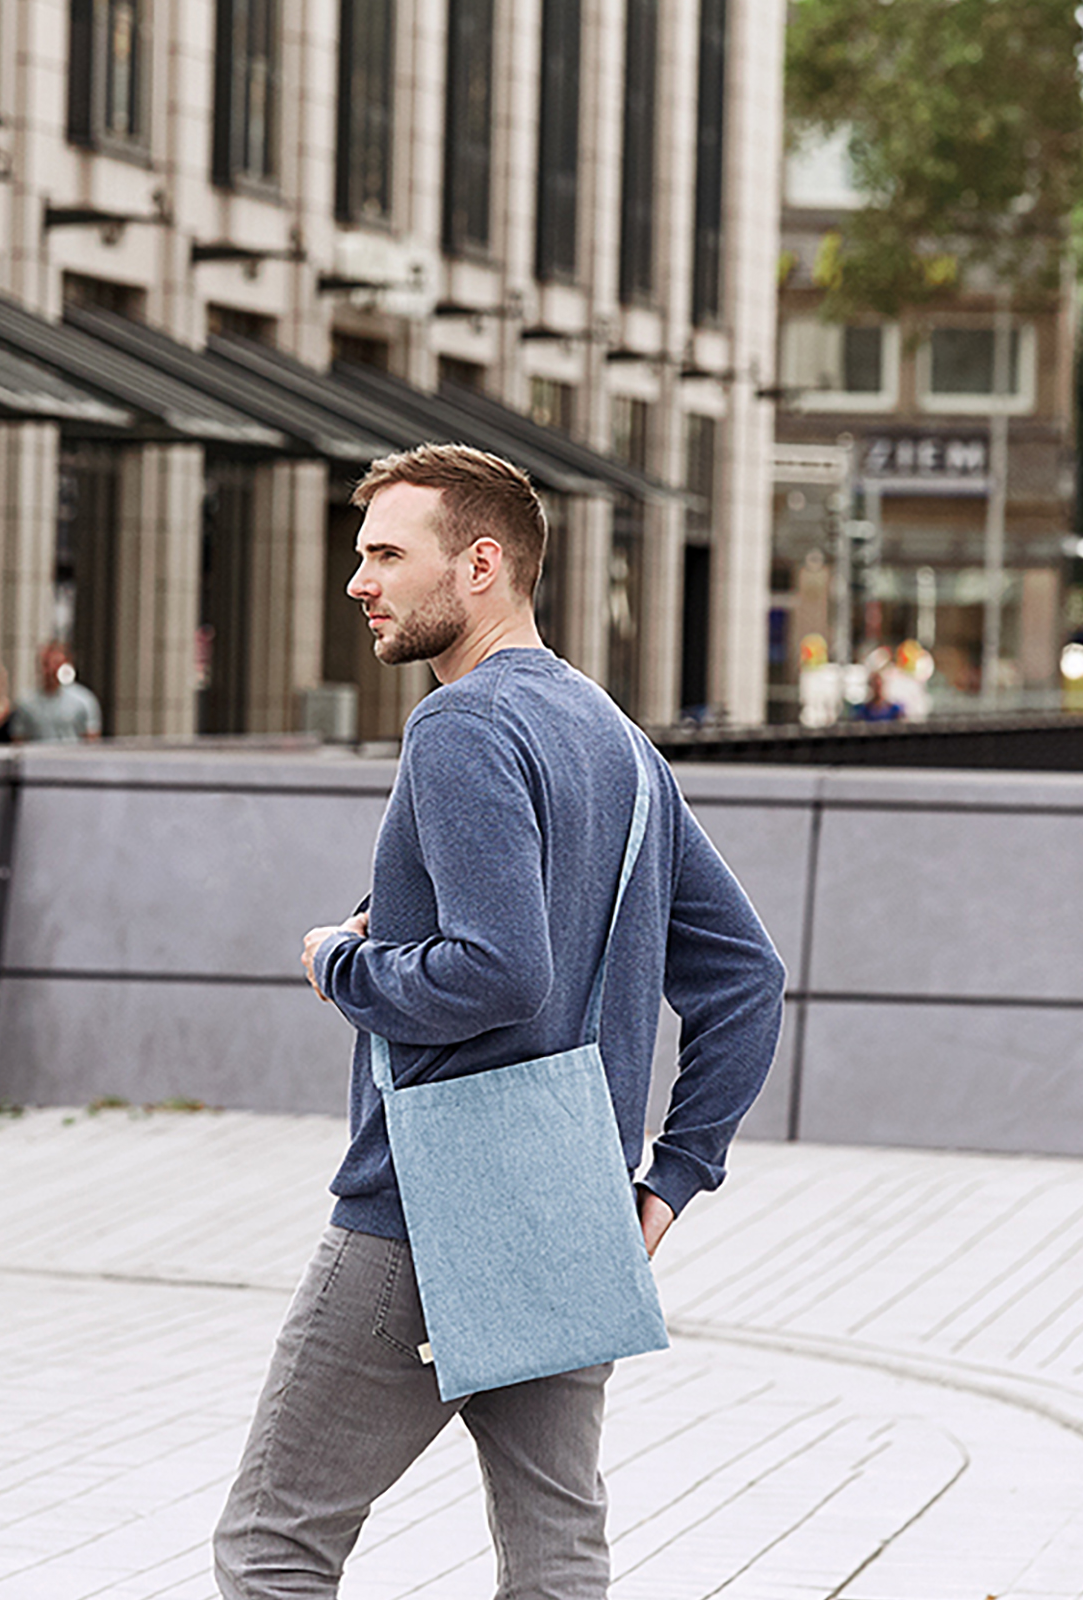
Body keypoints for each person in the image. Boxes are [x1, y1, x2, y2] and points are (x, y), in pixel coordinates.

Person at [214, 445, 786, 1600]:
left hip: (422, 1211)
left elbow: (496, 971)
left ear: (481, 565)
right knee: (557, 1556)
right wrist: (667, 1181)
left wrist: (344, 962)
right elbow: (750, 980)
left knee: (274, 1543)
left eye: (385, 553)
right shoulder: (617, 739)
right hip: (574, 1199)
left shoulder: (462, 728)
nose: (358, 581)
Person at [11, 641, 102, 743]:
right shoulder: (25, 703)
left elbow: (92, 740)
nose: (50, 670)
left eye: (56, 664)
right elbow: (19, 740)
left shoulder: (84, 700)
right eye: (46, 664)